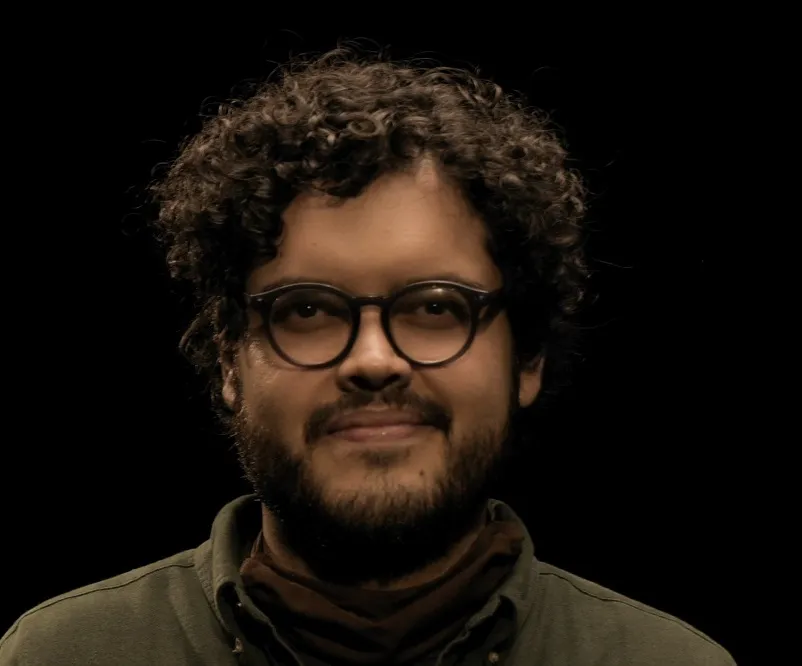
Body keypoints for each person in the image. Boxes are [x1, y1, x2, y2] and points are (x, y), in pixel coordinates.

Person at [1, 48, 735, 666]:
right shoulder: (60, 656)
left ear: (527, 358)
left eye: (436, 307)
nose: (375, 360)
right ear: (229, 360)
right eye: (309, 311)